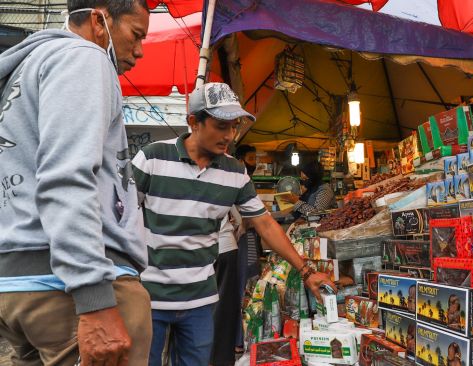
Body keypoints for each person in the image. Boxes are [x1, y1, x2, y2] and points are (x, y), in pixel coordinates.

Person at [132, 82, 335, 366]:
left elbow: (264, 223)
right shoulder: (152, 158)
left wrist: (305, 271)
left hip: (200, 301)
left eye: (234, 127)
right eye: (221, 126)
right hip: (148, 297)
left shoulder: (235, 171)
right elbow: (121, 218)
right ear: (194, 122)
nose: (229, 135)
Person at [0, 1, 151, 364]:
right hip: (69, 288)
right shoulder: (83, 57)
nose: (140, 51)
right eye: (136, 34)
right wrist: (94, 298)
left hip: (19, 287)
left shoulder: (24, 70)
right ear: (100, 20)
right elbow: (66, 176)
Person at [211, 144, 257, 366]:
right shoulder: (233, 170)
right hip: (226, 247)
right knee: (225, 305)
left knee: (205, 304)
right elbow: (241, 217)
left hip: (200, 252)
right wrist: (236, 230)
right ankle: (221, 356)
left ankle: (208, 355)